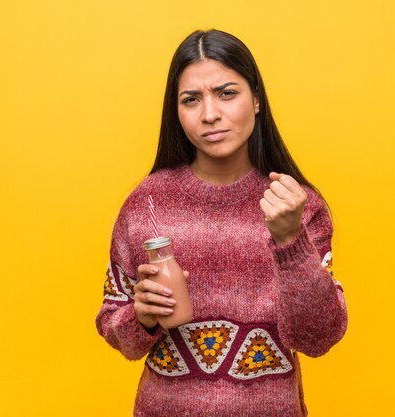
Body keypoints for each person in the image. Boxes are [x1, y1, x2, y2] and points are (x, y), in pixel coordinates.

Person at [96, 29, 348, 417]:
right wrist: (140, 317)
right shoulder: (146, 204)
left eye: (227, 93)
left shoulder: (297, 206)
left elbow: (318, 338)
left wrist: (290, 242)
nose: (210, 114)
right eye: (191, 100)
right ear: (175, 112)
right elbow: (116, 331)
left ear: (257, 100)